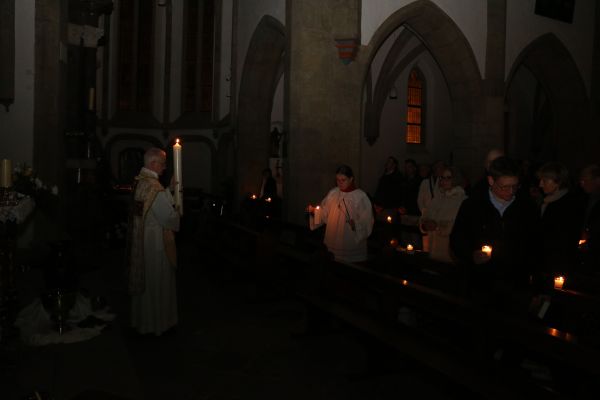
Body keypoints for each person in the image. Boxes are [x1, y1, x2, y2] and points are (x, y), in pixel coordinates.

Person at [450, 156, 539, 296]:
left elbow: (536, 246)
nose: (511, 191)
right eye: (505, 187)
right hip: (480, 283)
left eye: (515, 186)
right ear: (491, 181)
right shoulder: (472, 206)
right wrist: (471, 255)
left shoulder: (528, 208)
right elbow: (457, 240)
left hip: (516, 285)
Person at [128, 148, 180, 336]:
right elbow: (167, 217)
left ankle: (142, 321)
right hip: (156, 243)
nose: (165, 168)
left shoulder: (141, 182)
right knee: (157, 281)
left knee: (147, 283)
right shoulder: (154, 188)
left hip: (142, 240)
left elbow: (153, 207)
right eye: (163, 164)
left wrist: (169, 190)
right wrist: (178, 213)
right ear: (153, 164)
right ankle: (157, 324)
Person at [308, 165, 374, 263]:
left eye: (343, 180)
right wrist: (315, 212)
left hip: (350, 239)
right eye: (338, 180)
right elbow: (325, 212)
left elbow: (367, 220)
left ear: (351, 179)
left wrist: (356, 225)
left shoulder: (360, 196)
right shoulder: (333, 193)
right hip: (333, 237)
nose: (340, 183)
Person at [537, 162, 585, 275]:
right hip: (545, 260)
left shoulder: (569, 204)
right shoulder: (548, 201)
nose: (540, 184)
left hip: (558, 263)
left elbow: (565, 238)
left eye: (544, 181)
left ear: (558, 182)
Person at [419, 166, 467, 263]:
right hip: (432, 249)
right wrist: (424, 225)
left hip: (449, 252)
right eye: (442, 177)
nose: (444, 181)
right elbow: (424, 216)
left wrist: (437, 226)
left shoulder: (462, 200)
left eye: (448, 178)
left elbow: (459, 226)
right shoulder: (437, 198)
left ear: (455, 179)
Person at [579, 164, 600, 273]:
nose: (582, 184)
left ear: (597, 180)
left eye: (585, 181)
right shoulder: (583, 198)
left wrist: (591, 241)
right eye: (581, 181)